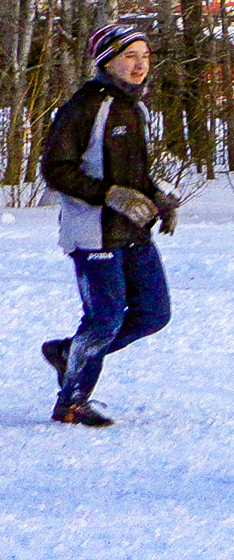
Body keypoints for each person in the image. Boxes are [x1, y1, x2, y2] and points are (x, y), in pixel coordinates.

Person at [38, 23, 179, 427]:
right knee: (104, 319)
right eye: (129, 57)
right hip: (93, 231)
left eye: (145, 57)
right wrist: (110, 195)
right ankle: (72, 401)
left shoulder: (136, 106)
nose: (139, 65)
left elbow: (134, 171)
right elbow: (56, 169)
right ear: (107, 61)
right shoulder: (85, 106)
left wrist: (158, 197)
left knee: (154, 313)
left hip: (132, 231)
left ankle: (70, 352)